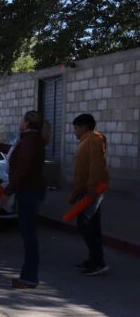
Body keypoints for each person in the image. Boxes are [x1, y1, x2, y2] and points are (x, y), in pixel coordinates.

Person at [2, 111, 46, 289]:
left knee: (29, 236)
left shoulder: (29, 141)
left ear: (26, 123)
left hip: (29, 191)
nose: (20, 123)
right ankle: (28, 276)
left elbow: (23, 169)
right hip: (31, 190)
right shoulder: (31, 140)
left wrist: (8, 190)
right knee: (28, 235)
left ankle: (29, 277)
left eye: (22, 120)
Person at [70, 113, 109, 276]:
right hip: (86, 190)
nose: (75, 132)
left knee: (86, 224)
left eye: (76, 128)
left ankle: (98, 262)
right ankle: (94, 259)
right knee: (90, 225)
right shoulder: (87, 140)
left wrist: (92, 189)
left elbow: (96, 165)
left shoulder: (93, 140)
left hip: (92, 190)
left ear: (84, 127)